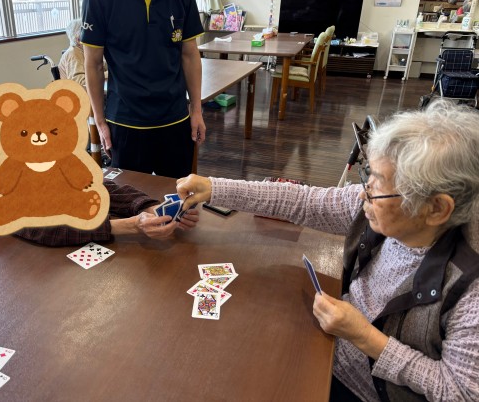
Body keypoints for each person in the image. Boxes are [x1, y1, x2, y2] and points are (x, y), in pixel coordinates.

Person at [176, 100, 479, 401]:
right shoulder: (380, 210)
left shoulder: (470, 292)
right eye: (368, 175)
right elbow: (302, 202)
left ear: (436, 209)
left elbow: (460, 392)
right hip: (326, 346)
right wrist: (215, 188)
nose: (363, 193)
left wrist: (365, 337)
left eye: (378, 186)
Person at [0, 158, 199, 277]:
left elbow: (100, 187)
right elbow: (47, 228)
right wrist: (131, 225)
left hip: (12, 259)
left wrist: (149, 207)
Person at [80, 0, 206, 179]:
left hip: (175, 118)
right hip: (125, 121)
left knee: (178, 194)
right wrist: (100, 122)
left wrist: (196, 110)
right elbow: (94, 65)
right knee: (131, 196)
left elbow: (189, 55)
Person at [58, 19, 108, 87]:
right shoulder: (73, 53)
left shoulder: (87, 52)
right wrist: (108, 74)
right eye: (91, 35)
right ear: (79, 40)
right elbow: (80, 83)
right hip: (79, 92)